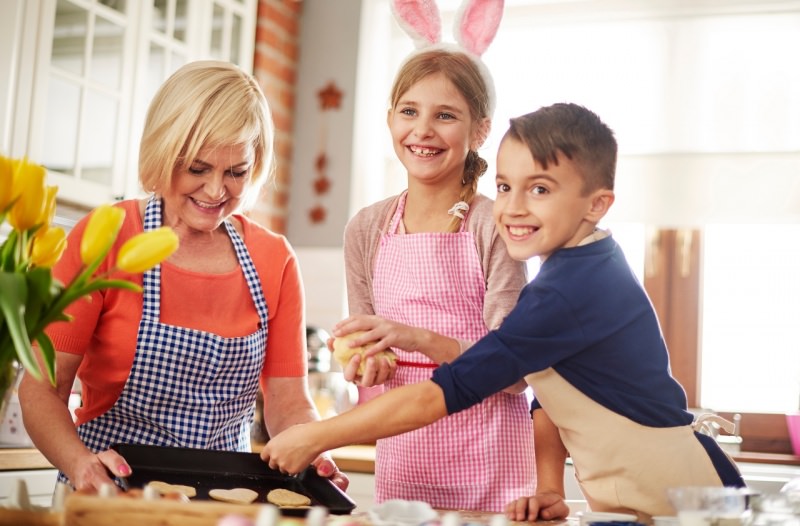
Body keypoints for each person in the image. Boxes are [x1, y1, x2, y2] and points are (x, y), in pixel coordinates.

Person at [261, 103, 745, 521]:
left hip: (685, 501)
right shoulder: (577, 267)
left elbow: (442, 393)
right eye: (506, 186)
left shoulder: (570, 290)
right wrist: (550, 488)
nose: (512, 207)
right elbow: (550, 399)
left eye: (540, 189)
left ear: (596, 204)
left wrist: (317, 436)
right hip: (644, 498)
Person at [18, 60, 347, 493]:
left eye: (236, 172)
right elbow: (43, 388)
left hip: (226, 499)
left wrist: (314, 450)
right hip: (110, 496)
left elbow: (287, 406)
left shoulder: (274, 260)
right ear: (162, 150)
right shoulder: (108, 237)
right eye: (197, 168)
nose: (216, 191)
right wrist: (81, 465)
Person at [326, 43, 536, 513]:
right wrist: (364, 362)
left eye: (445, 115)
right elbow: (365, 354)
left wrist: (415, 338)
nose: (422, 131)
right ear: (389, 119)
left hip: (489, 454)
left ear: (479, 130)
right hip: (404, 448)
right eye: (409, 111)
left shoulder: (494, 225)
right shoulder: (366, 228)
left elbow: (517, 372)